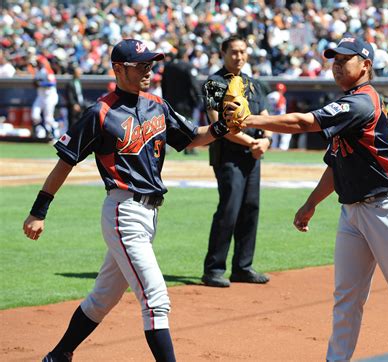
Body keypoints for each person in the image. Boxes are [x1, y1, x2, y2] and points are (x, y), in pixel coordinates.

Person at [225, 36, 388, 360]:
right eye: (334, 60)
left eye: (345, 59)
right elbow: (335, 164)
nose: (337, 65)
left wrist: (250, 119)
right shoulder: (349, 105)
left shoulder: (362, 102)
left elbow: (303, 122)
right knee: (346, 298)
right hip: (352, 213)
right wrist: (311, 203)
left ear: (366, 65)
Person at [23, 38, 234, 362]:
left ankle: (58, 355)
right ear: (119, 69)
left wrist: (221, 126)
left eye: (151, 64)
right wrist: (39, 210)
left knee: (102, 299)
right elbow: (66, 161)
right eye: (142, 65)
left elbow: (193, 137)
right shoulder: (100, 112)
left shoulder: (157, 105)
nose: (149, 69)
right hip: (123, 212)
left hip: (148, 216)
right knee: (156, 300)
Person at [201, 34, 272, 288]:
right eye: (233, 52)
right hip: (228, 156)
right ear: (223, 53)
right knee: (229, 209)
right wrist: (252, 142)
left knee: (250, 209)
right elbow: (217, 124)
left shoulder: (254, 84)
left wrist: (266, 141)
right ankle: (213, 269)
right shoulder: (214, 84)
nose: (239, 56)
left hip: (252, 155)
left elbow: (265, 118)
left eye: (242, 52)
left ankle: (243, 267)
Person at [161, 49, 201, 155]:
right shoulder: (188, 66)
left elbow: (163, 85)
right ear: (185, 56)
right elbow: (194, 84)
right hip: (186, 102)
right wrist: (198, 99)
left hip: (170, 101)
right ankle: (190, 148)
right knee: (188, 124)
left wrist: (164, 99)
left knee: (170, 125)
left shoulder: (168, 66)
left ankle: (165, 149)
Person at [31, 55, 59, 140]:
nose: (37, 64)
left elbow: (53, 83)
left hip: (49, 97)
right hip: (40, 96)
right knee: (35, 115)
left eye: (38, 62)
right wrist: (35, 83)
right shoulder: (37, 71)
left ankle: (55, 135)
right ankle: (43, 130)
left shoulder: (48, 70)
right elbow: (35, 83)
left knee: (48, 119)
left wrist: (41, 84)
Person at [267, 82, 291, 150]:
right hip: (279, 118)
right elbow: (280, 107)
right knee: (287, 133)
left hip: (270, 118)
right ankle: (283, 149)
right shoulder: (280, 96)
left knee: (274, 134)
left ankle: (273, 148)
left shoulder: (269, 95)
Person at [64, 66, 85, 130]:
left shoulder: (79, 82)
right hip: (73, 106)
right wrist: (74, 104)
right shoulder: (70, 83)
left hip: (80, 104)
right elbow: (69, 95)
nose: (80, 74)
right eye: (79, 73)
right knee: (72, 122)